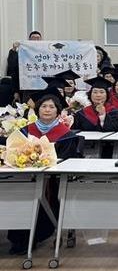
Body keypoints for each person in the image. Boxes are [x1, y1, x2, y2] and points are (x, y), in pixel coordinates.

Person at [8, 90, 81, 254]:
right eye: (43, 106)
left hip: (53, 181)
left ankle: (36, 236)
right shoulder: (25, 131)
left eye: (51, 107)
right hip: (26, 178)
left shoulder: (66, 135)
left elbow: (67, 161)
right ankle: (20, 238)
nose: (47, 110)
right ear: (38, 109)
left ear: (57, 111)